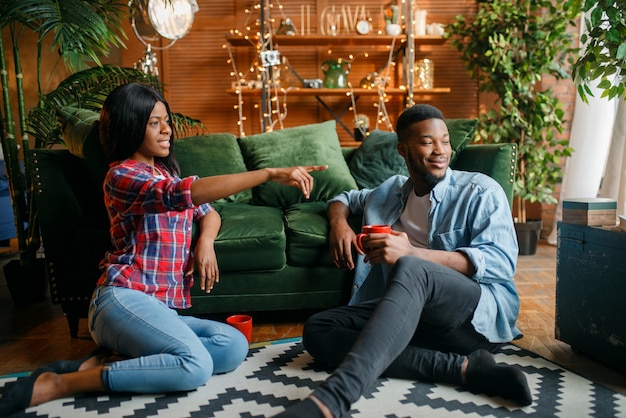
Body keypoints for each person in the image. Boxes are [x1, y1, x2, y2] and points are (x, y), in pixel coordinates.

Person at [0, 83, 327, 415]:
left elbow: (208, 212)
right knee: (195, 366)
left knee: (232, 346)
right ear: (129, 125)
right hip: (121, 299)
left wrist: (205, 242)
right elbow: (182, 195)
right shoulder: (122, 176)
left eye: (166, 120)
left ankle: (117, 359)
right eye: (154, 122)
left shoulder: (165, 172)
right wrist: (268, 174)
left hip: (161, 310)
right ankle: (60, 382)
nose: (167, 129)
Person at [275, 104, 531, 418]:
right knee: (320, 329)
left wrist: (412, 254)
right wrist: (339, 225)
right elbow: (343, 198)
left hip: (471, 318)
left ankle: (331, 400)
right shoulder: (390, 191)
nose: (440, 151)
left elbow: (502, 262)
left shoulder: (480, 192)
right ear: (403, 149)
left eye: (445, 141)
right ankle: (464, 369)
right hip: (413, 317)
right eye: (427, 142)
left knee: (412, 266)